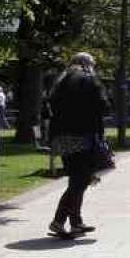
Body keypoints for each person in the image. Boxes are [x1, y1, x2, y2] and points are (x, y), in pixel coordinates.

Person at [47, 52, 107, 239]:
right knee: (80, 181)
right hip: (82, 135)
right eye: (93, 63)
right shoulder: (88, 79)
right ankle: (59, 221)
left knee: (76, 179)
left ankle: (75, 223)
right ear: (87, 64)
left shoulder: (60, 81)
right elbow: (103, 105)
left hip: (61, 137)